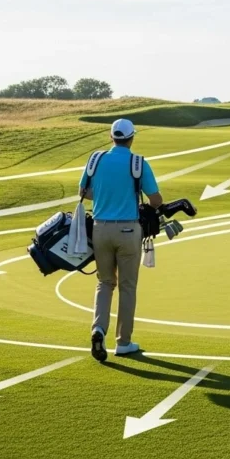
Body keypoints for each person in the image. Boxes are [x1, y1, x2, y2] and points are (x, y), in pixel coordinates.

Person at [78, 118, 163, 361]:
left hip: (99, 229)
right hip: (128, 231)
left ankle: (98, 329)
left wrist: (106, 195)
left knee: (105, 283)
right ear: (132, 137)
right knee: (127, 286)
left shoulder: (95, 159)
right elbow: (155, 199)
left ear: (111, 137)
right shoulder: (138, 162)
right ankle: (123, 342)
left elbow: (84, 192)